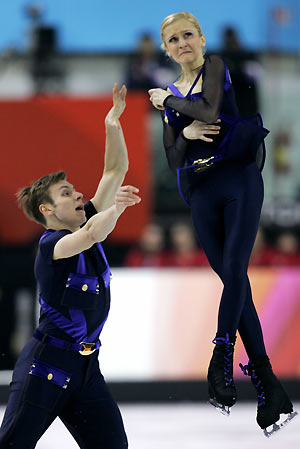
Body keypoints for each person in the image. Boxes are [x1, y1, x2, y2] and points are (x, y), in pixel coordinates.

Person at [148, 11, 297, 436]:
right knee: (234, 283)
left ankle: (221, 354)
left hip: (238, 178)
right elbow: (172, 157)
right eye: (173, 40)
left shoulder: (213, 67)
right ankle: (268, 386)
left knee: (235, 270)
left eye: (188, 35)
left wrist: (168, 103)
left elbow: (210, 108)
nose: (182, 44)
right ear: (166, 48)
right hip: (200, 191)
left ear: (201, 38)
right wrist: (185, 135)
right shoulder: (171, 94)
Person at [0, 83, 141, 448]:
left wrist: (113, 122)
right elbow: (93, 233)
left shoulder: (85, 220)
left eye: (74, 189)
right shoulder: (52, 245)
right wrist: (118, 209)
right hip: (45, 367)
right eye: (67, 194)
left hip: (86, 370)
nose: (78, 194)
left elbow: (115, 170)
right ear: (47, 211)